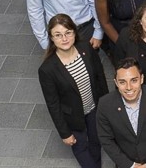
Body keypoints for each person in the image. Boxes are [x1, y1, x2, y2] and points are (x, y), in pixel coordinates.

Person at [38, 14, 108, 168]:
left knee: (96, 142)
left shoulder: (86, 49)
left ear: (74, 33)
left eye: (68, 32)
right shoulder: (47, 69)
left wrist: (105, 106)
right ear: (51, 38)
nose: (64, 38)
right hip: (73, 118)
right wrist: (64, 133)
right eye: (58, 35)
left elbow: (99, 78)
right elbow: (53, 104)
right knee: (81, 147)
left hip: (94, 109)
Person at [96, 57, 146, 168]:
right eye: (122, 82)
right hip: (126, 164)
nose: (129, 87)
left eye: (134, 80)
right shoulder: (105, 104)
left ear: (141, 79)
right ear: (116, 83)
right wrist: (131, 165)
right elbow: (106, 140)